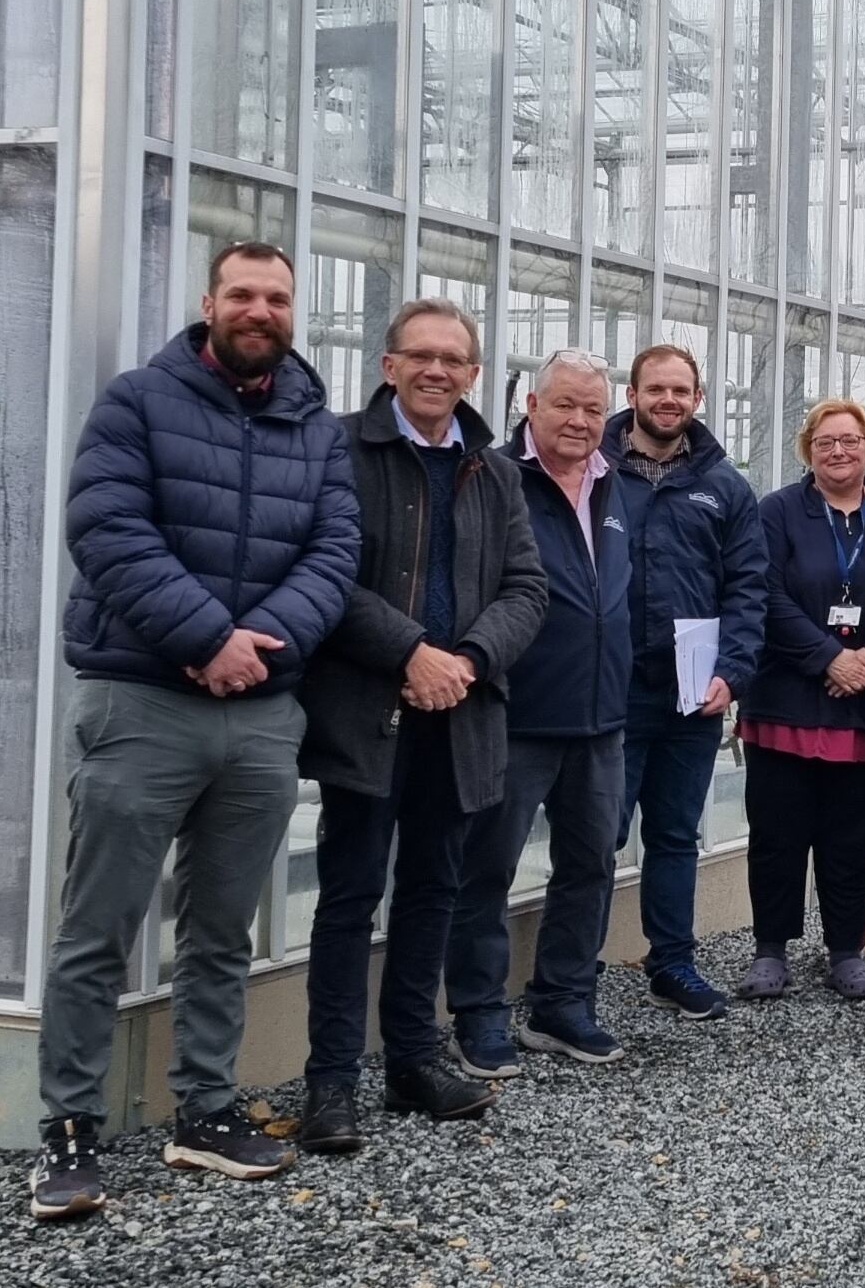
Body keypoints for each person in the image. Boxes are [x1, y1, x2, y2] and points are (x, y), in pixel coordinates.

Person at [30, 241, 359, 1221]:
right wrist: (206, 638)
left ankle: (204, 1108)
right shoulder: (137, 401)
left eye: (278, 297)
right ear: (210, 303)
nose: (261, 309)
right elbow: (107, 526)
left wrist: (262, 645)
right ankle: (70, 1127)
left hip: (261, 714)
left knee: (221, 926)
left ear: (293, 312)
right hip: (144, 702)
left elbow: (337, 549)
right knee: (99, 927)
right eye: (244, 293)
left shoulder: (317, 426)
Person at [296, 300, 550, 1153]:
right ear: (388, 364)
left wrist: (468, 660)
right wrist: (410, 652)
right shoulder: (341, 449)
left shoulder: (494, 467)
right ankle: (331, 1079)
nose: (438, 370)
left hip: (461, 710)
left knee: (433, 889)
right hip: (370, 708)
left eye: (454, 358)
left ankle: (411, 1056)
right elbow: (323, 572)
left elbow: (527, 588)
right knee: (350, 893)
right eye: (421, 355)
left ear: (475, 373)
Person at [448, 350, 638, 1072]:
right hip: (513, 710)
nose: (581, 420)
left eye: (593, 408)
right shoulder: (494, 476)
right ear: (532, 402)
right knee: (486, 866)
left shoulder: (614, 485)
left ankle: (562, 1001)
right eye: (566, 404)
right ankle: (479, 1012)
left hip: (601, 715)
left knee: (590, 863)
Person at [604, 343, 770, 1019]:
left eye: (681, 390)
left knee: (674, 833)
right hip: (609, 690)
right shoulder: (596, 470)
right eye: (656, 388)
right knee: (597, 834)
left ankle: (672, 960)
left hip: (691, 690)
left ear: (697, 399)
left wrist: (732, 671)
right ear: (635, 392)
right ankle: (566, 975)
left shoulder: (724, 486)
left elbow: (748, 588)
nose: (668, 400)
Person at [740, 401, 865, 1003]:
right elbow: (765, 593)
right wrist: (826, 657)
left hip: (864, 702)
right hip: (786, 696)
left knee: (851, 833)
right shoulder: (778, 511)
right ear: (808, 449)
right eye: (826, 442)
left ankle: (844, 949)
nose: (839, 452)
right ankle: (770, 950)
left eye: (851, 441)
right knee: (778, 831)